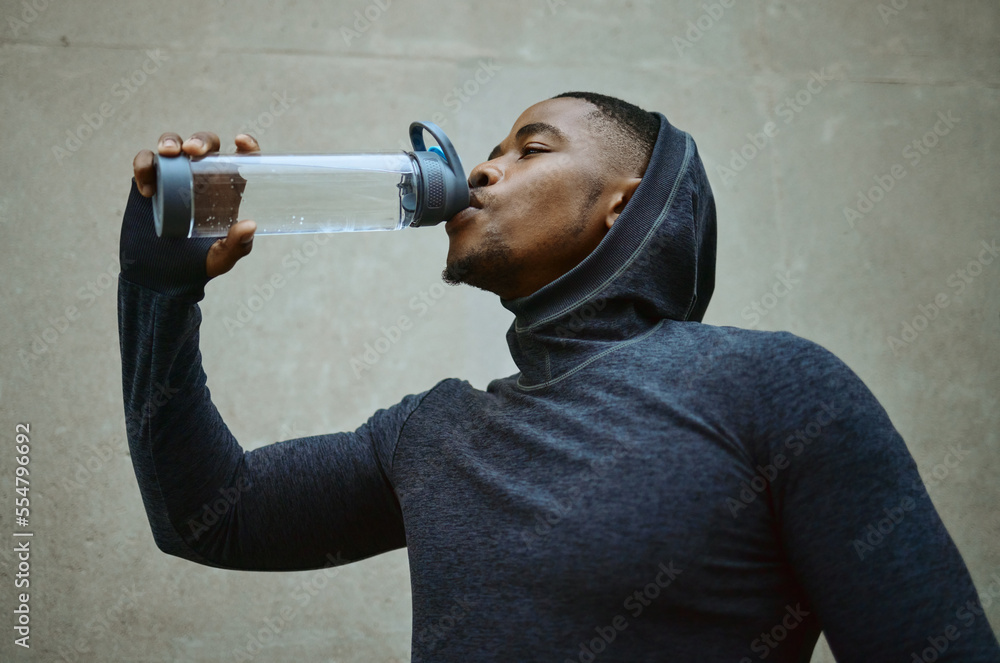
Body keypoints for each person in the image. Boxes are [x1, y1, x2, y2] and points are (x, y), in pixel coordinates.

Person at [119, 92, 1000, 662]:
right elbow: (209, 514)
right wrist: (158, 291)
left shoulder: (775, 389)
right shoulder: (431, 433)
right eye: (492, 149)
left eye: (528, 148)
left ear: (623, 200)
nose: (479, 170)